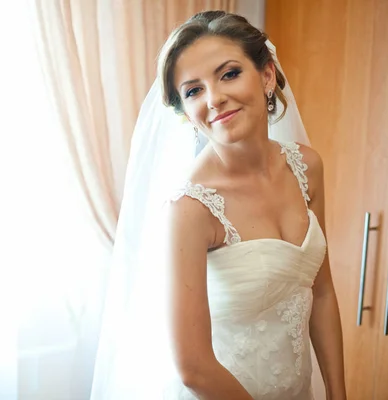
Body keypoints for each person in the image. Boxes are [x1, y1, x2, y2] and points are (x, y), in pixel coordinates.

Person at [91, 11, 346, 400]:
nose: (214, 98)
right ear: (186, 113)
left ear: (267, 75)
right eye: (193, 91)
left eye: (228, 74)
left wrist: (338, 392)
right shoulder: (189, 208)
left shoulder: (307, 167)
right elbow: (193, 368)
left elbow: (322, 291)